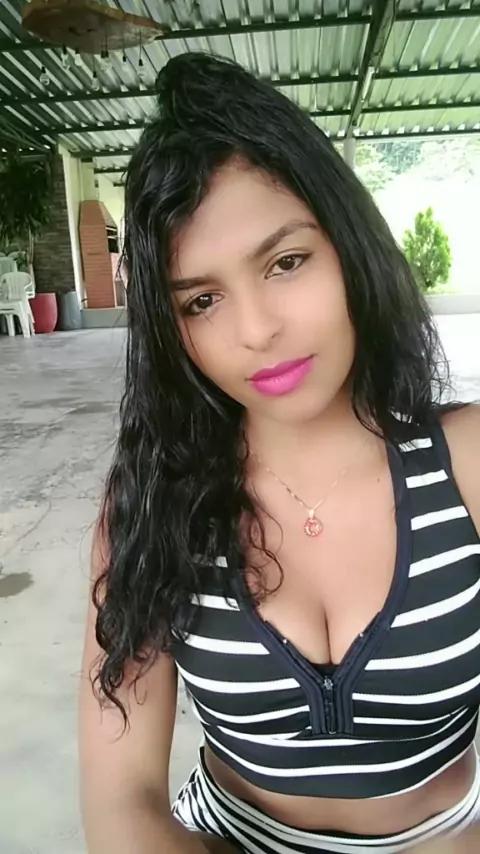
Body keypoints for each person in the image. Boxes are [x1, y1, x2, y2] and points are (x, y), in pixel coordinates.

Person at [79, 52, 480, 854]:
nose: (256, 330)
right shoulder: (152, 504)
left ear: (350, 245)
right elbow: (121, 800)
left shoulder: (466, 463)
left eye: (286, 262)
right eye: (202, 300)